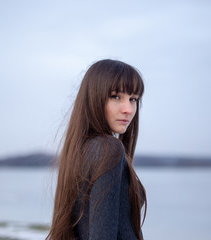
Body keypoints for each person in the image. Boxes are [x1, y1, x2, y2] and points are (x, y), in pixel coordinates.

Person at [46, 59, 147, 240]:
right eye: (116, 96)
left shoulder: (81, 150)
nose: (128, 109)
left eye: (133, 99)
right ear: (94, 98)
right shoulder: (109, 149)